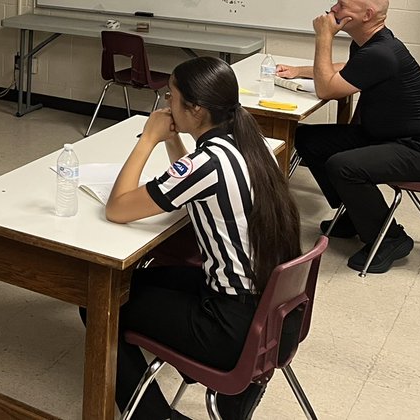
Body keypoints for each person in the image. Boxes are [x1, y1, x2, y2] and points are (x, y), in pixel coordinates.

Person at [104, 56, 301, 420]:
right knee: (133, 282)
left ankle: (153, 416)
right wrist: (172, 141)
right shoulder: (252, 144)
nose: (166, 105)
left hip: (230, 325)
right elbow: (189, 181)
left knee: (102, 302)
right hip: (273, 314)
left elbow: (117, 207)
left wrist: (148, 139)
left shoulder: (207, 164)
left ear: (194, 110)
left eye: (170, 98)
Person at [277, 0, 420, 274]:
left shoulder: (382, 52)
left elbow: (327, 90)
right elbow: (347, 69)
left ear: (367, 14)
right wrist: (298, 71)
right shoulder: (371, 44)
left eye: (342, 5)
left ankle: (390, 239)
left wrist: (323, 37)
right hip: (385, 136)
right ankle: (356, 214)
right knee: (307, 139)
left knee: (344, 166)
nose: (333, 9)